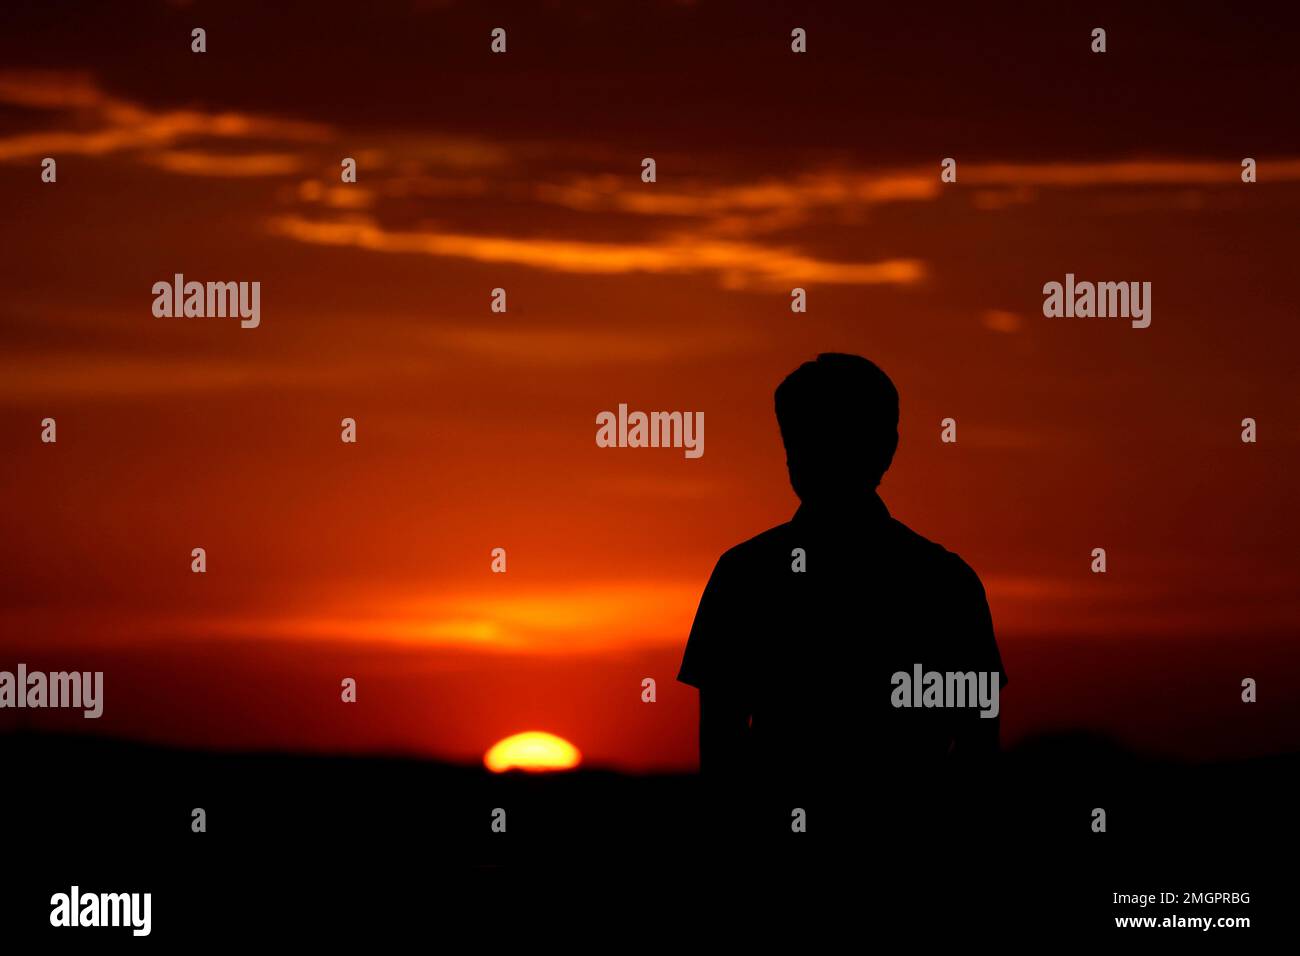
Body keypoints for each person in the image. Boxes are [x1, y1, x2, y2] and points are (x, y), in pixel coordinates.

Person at [677, 353, 1007, 836]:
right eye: (798, 438)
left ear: (885, 447)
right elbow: (978, 753)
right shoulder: (944, 580)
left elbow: (721, 754)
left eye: (822, 438)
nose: (804, 455)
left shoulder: (747, 574)